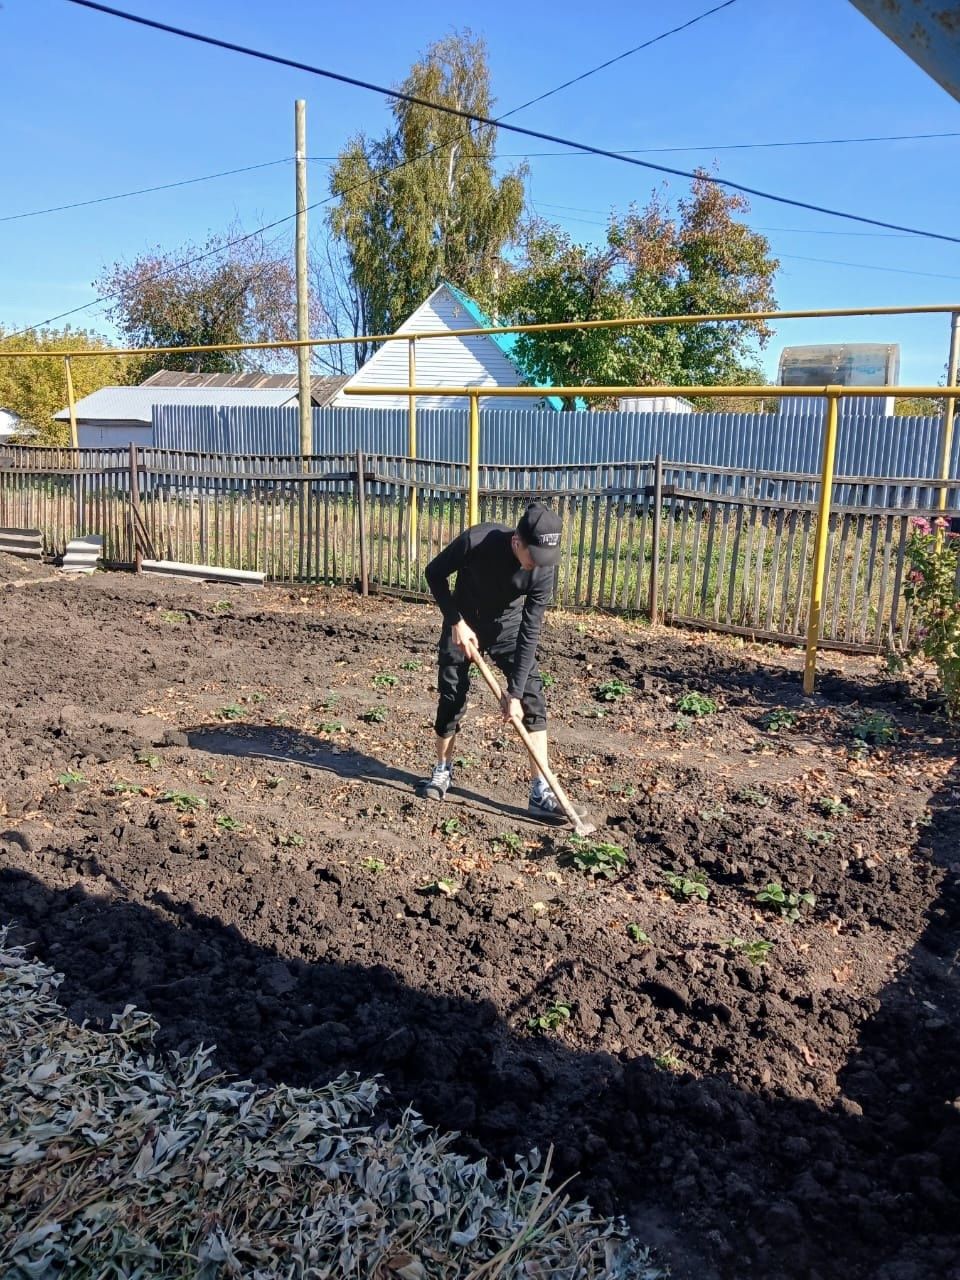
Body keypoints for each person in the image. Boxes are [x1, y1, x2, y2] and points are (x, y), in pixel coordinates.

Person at [420, 501, 581, 822]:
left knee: (533, 695)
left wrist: (516, 693)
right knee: (452, 695)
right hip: (463, 620)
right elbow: (434, 573)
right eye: (533, 557)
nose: (538, 565)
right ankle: (442, 770)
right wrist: (455, 621)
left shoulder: (542, 570)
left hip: (507, 626)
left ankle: (540, 791)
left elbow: (530, 630)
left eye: (545, 559)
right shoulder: (477, 541)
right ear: (516, 542)